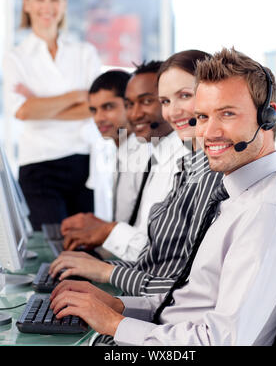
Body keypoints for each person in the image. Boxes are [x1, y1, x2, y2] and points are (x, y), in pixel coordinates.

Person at [50, 48, 276, 346]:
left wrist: (115, 324)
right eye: (203, 117)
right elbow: (189, 302)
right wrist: (119, 306)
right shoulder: (234, 196)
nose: (209, 131)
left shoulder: (264, 213)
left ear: (267, 116)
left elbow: (222, 341)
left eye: (227, 114)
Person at [49, 49, 222, 298]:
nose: (135, 114)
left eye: (146, 101)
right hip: (150, 292)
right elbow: (159, 258)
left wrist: (106, 248)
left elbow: (168, 267)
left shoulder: (193, 164)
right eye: (165, 101)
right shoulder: (169, 159)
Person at [59, 61, 186, 262]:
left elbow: (158, 249)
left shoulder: (153, 154)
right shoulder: (131, 152)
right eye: (93, 110)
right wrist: (101, 231)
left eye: (108, 107)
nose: (99, 118)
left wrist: (106, 231)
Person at [2, 0, 101, 231]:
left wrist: (40, 104)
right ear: (26, 4)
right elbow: (23, 111)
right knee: (51, 247)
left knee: (83, 248)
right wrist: (78, 95)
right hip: (39, 165)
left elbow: (96, 106)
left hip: (82, 162)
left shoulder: (84, 52)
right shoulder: (15, 57)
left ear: (64, 5)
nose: (48, 6)